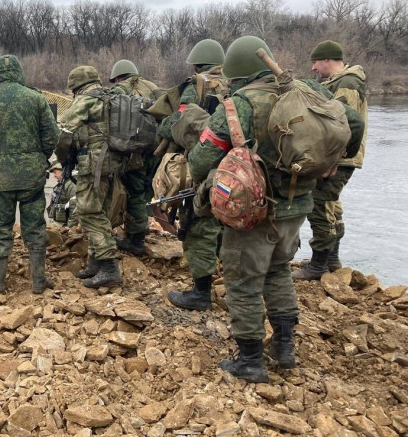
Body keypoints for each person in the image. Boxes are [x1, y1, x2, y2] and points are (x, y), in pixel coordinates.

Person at [187, 36, 363, 382]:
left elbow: (201, 160)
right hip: (297, 206)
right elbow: (353, 124)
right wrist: (334, 162)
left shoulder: (239, 105)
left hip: (252, 211)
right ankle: (284, 348)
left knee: (242, 281)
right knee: (278, 270)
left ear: (237, 74)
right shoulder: (307, 90)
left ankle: (250, 360)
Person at [0, 55, 59, 294]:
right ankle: (39, 281)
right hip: (32, 178)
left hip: (0, 180)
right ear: (20, 73)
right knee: (35, 227)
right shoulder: (36, 99)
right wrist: (40, 158)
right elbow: (52, 135)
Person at [292, 40, 368, 279]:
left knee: (319, 204)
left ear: (327, 60)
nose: (313, 68)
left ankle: (318, 265)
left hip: (340, 159)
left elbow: (345, 125)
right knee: (332, 206)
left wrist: (333, 160)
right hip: (340, 158)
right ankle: (332, 260)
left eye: (315, 62)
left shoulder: (347, 83)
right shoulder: (338, 82)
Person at [161, 39, 227, 311]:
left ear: (198, 63)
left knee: (198, 226)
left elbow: (179, 122)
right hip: (241, 169)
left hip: (207, 161)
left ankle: (201, 293)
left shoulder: (196, 86)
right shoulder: (237, 83)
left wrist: (163, 129)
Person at [55, 66, 123, 288]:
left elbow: (63, 131)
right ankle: (96, 262)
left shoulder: (86, 100)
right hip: (115, 163)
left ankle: (109, 266)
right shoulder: (113, 96)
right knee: (100, 209)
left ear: (76, 86)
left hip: (93, 165)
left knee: (88, 211)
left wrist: (63, 158)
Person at [109, 60, 162, 255]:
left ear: (119, 77)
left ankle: (136, 240)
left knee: (134, 194)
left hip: (134, 153)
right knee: (147, 189)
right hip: (156, 151)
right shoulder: (153, 87)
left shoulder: (120, 90)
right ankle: (143, 226)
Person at [47, 163, 78, 227]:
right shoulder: (61, 185)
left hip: (67, 225)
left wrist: (70, 227)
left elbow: (75, 207)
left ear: (63, 171)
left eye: (55, 172)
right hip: (60, 223)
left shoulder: (71, 185)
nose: (54, 176)